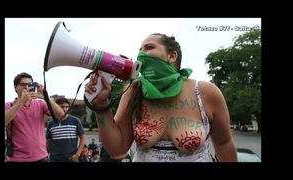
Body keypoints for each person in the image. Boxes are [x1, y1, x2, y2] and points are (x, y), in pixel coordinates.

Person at [85, 33, 237, 162]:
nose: (141, 54)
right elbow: (117, 150)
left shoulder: (205, 92)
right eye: (140, 50)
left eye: (149, 47)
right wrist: (100, 106)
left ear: (172, 56)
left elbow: (224, 144)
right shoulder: (134, 91)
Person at [5, 72, 65, 162]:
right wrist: (21, 102)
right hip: (16, 159)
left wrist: (45, 97)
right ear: (15, 87)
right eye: (22, 84)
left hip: (41, 157)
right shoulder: (8, 105)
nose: (26, 87)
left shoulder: (41, 104)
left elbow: (61, 116)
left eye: (29, 84)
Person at [46, 97, 86, 162]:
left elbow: (83, 138)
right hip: (54, 159)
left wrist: (77, 154)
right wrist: (45, 156)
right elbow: (48, 143)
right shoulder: (51, 123)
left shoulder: (75, 121)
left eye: (67, 107)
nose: (64, 109)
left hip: (71, 159)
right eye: (62, 107)